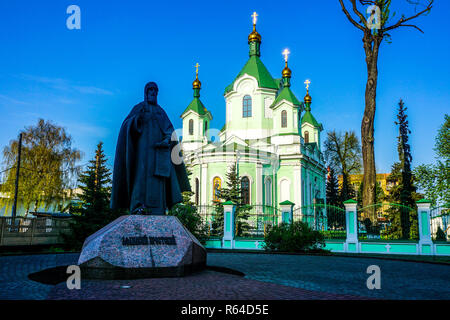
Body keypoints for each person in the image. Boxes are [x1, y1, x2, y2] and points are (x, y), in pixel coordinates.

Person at [111, 82, 191, 214]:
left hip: (158, 154)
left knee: (158, 179)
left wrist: (166, 140)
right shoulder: (139, 109)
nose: (153, 93)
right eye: (150, 90)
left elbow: (169, 130)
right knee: (140, 177)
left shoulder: (160, 112)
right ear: (146, 93)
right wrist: (137, 119)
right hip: (142, 153)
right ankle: (138, 206)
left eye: (155, 91)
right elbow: (127, 125)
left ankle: (159, 208)